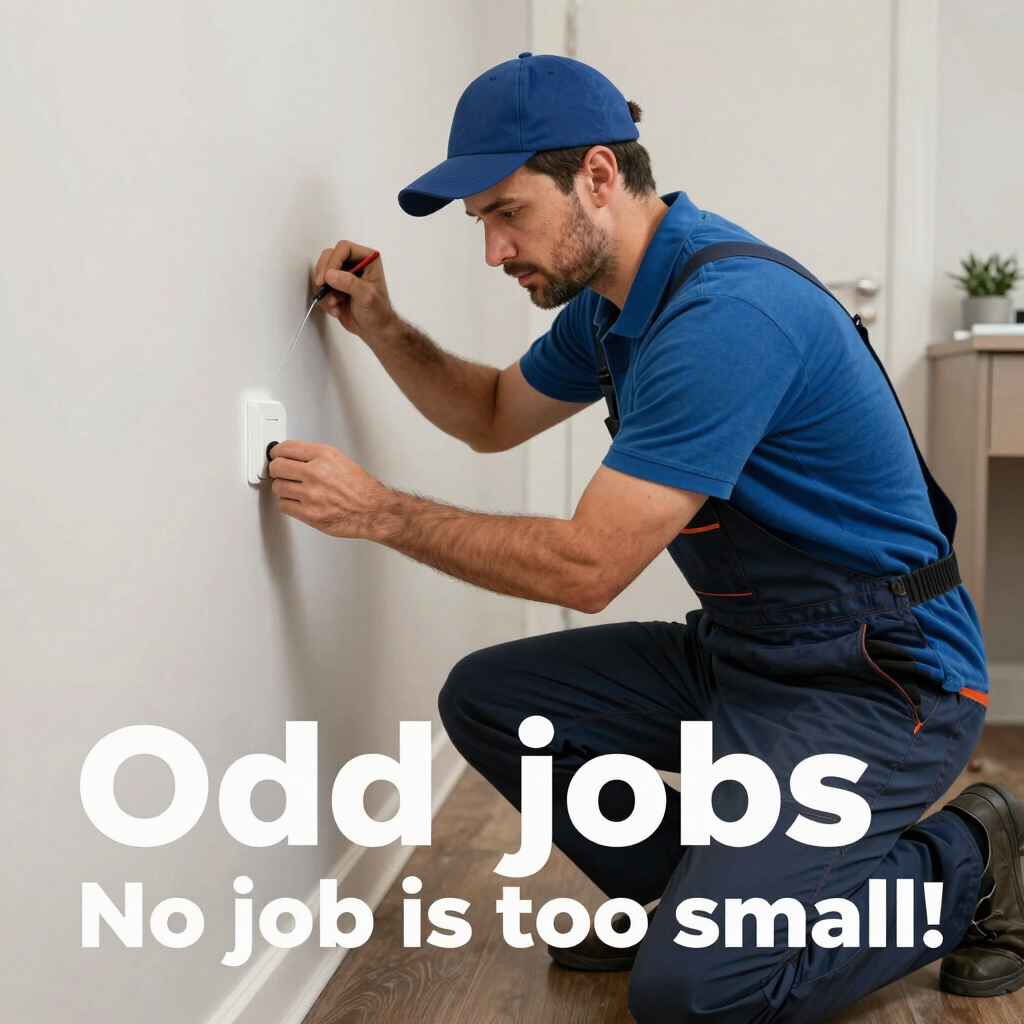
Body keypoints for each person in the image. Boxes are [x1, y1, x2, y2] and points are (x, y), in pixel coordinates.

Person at [267, 53, 1024, 1022]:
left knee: (696, 995)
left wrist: (378, 512)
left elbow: (588, 569)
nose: (493, 253)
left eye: (507, 213)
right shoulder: (616, 303)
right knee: (493, 702)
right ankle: (687, 900)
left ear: (595, 175)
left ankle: (970, 855)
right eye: (482, 224)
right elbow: (495, 412)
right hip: (747, 655)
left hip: (878, 679)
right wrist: (382, 327)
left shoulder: (725, 318)